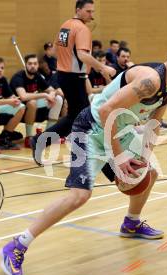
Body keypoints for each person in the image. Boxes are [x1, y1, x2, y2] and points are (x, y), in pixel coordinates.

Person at [0, 34, 167, 275]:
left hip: (117, 130)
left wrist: (144, 158)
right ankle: (17, 245)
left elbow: (154, 123)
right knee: (79, 196)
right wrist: (118, 158)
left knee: (149, 173)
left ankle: (131, 223)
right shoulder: (150, 81)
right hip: (91, 128)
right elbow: (106, 110)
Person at [30, 0, 115, 165]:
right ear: (78, 10)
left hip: (64, 75)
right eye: (89, 11)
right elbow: (83, 56)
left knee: (79, 116)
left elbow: (55, 51)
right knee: (79, 117)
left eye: (93, 11)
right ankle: (42, 141)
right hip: (74, 78)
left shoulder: (65, 25)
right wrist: (103, 68)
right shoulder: (82, 29)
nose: (92, 15)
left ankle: (78, 150)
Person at [10, 54, 63, 148]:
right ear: (25, 65)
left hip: (33, 105)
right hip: (18, 107)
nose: (33, 66)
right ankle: (29, 137)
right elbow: (23, 97)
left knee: (58, 99)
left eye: (35, 63)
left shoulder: (37, 76)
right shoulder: (18, 77)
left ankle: (48, 134)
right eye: (30, 64)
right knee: (32, 102)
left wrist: (52, 94)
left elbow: (50, 89)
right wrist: (44, 95)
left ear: (38, 65)